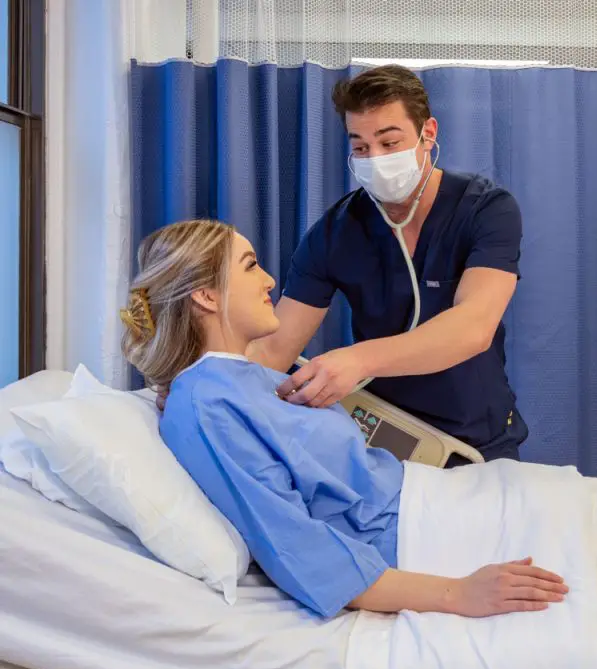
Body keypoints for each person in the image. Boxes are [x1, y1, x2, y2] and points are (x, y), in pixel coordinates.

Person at [121, 219, 564, 619]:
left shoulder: (241, 378)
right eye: (251, 266)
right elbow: (297, 545)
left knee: (578, 514)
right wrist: (457, 594)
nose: (270, 280)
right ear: (206, 295)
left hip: (434, 498)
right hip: (414, 535)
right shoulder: (204, 405)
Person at [159, 64, 528, 466]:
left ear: (428, 133)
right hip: (392, 434)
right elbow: (274, 348)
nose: (376, 158)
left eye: (389, 143)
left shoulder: (486, 210)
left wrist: (358, 360)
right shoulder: (336, 234)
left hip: (478, 441)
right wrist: (195, 384)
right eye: (361, 147)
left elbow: (473, 327)